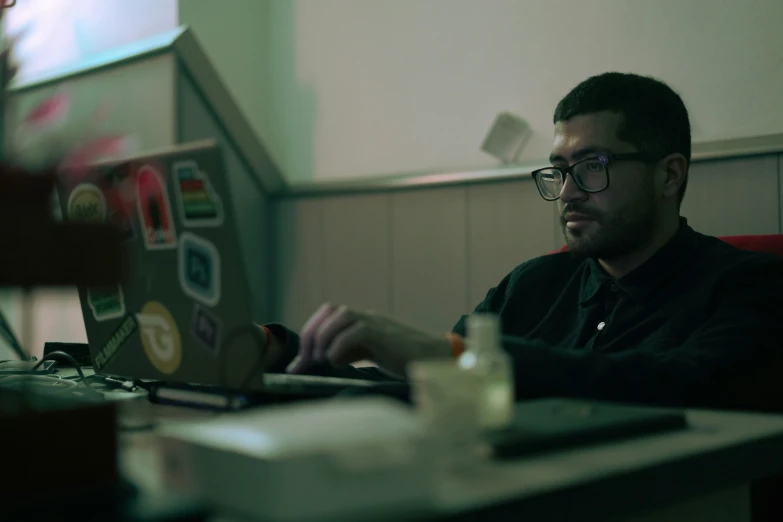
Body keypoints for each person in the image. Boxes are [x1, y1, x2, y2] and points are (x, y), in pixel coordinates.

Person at [260, 72, 783, 412]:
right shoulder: (531, 285)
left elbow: (676, 387)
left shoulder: (750, 285)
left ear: (669, 176)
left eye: (593, 166)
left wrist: (450, 356)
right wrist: (285, 356)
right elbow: (425, 392)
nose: (569, 193)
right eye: (560, 170)